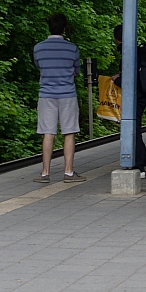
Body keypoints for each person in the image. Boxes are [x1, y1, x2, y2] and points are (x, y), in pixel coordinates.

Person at [33, 13, 84, 184]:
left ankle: (45, 173)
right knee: (69, 132)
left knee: (48, 133)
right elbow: (76, 70)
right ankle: (68, 173)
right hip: (67, 94)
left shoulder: (38, 48)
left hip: (46, 94)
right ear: (64, 29)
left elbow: (39, 66)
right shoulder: (72, 48)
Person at [114, 25, 146, 178]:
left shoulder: (128, 53)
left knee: (132, 128)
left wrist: (117, 80)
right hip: (143, 93)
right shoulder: (137, 51)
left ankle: (138, 166)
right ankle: (145, 161)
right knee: (135, 126)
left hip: (136, 96)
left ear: (117, 39)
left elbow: (129, 81)